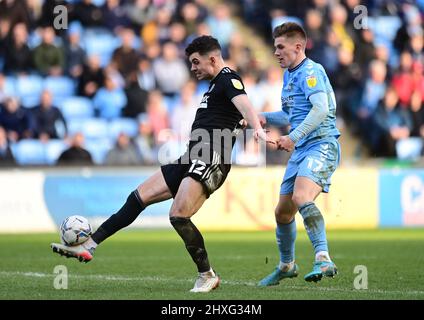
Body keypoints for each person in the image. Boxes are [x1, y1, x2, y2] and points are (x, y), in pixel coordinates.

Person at [51, 35, 273, 293]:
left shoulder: (227, 77)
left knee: (178, 216)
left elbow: (245, 104)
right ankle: (88, 245)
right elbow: (234, 114)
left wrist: (256, 126)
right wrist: (243, 123)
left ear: (212, 59)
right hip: (192, 155)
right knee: (137, 197)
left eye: (195, 62)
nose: (192, 68)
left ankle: (207, 275)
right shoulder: (215, 85)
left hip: (212, 157)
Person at [258, 22, 341, 286]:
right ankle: (286, 266)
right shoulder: (290, 75)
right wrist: (263, 117)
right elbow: (290, 114)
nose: (276, 52)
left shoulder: (311, 71)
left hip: (321, 144)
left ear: (298, 46)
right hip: (303, 148)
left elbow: (320, 110)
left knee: (301, 196)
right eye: (274, 47)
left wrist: (293, 137)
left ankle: (323, 257)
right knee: (283, 213)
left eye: (280, 47)